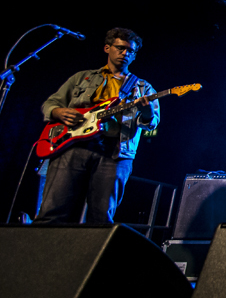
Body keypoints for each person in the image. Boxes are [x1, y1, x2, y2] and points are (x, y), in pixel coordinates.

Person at [35, 28, 159, 225]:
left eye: (131, 51)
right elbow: (50, 104)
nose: (125, 53)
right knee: (52, 212)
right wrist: (58, 112)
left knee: (101, 219)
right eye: (120, 48)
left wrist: (146, 113)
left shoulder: (144, 88)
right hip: (71, 146)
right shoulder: (82, 77)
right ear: (107, 48)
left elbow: (152, 124)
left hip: (114, 153)